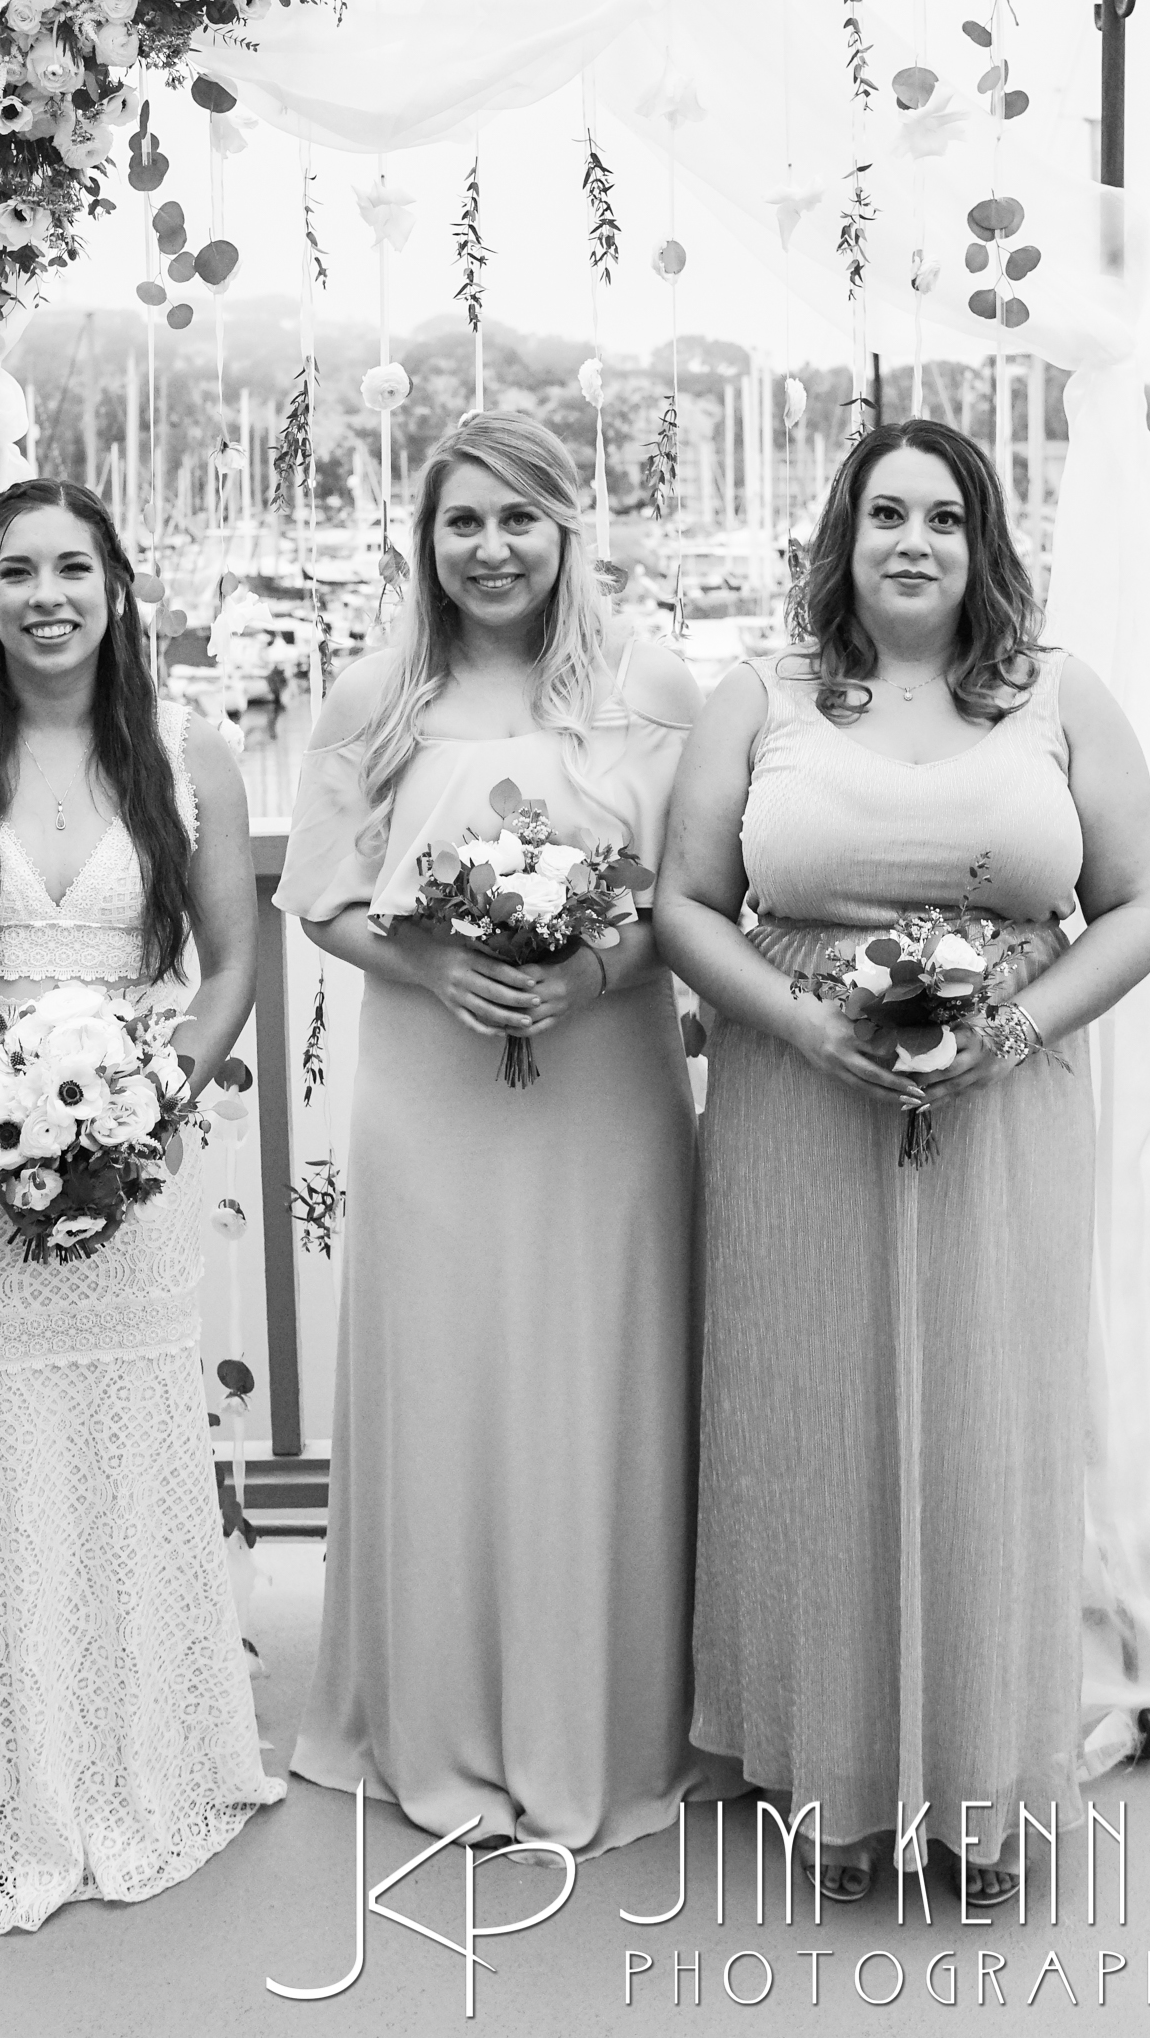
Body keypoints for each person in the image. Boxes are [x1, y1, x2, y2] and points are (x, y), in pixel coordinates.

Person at [655, 421, 1150, 1908]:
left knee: (991, 1435)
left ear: (982, 541)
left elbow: (1140, 906)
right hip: (796, 1109)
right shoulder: (761, 698)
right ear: (844, 537)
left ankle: (983, 1790)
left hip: (1005, 1116)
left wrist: (1012, 1028)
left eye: (945, 517)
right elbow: (686, 903)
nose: (914, 542)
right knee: (808, 1428)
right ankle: (834, 1780)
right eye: (886, 514)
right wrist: (806, 1025)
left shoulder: (1058, 696)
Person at [0, 477, 283, 1934]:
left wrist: (155, 1102)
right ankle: (1, 1782)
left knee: (126, 1451)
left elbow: (228, 962)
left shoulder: (189, 755)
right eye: (16, 572)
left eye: (73, 568)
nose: (47, 597)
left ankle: (148, 1759)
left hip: (138, 1169)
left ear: (116, 585)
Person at [274, 412, 739, 1855]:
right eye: (462, 522)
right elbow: (324, 895)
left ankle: (612, 1718)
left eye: (519, 519)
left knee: (604, 1376)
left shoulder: (654, 689)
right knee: (445, 1381)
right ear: (425, 542)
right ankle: (444, 1717)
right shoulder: (374, 696)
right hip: (431, 1093)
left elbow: (695, 897)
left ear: (567, 532)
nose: (490, 549)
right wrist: (435, 966)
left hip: (608, 1093)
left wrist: (592, 971)